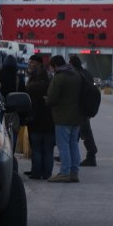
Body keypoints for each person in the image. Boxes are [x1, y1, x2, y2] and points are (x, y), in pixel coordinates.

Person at [47, 55, 82, 183]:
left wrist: (47, 100)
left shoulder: (59, 78)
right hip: (77, 116)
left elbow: (52, 98)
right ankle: (74, 172)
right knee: (73, 144)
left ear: (55, 66)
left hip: (63, 116)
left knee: (63, 145)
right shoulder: (76, 75)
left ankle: (64, 172)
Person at [23, 54, 55, 180]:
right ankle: (46, 173)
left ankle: (36, 172)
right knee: (48, 149)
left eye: (32, 63)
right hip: (50, 121)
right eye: (30, 63)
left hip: (36, 120)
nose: (30, 65)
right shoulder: (51, 82)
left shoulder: (32, 85)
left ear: (39, 65)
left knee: (36, 149)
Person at [69, 55, 98, 166]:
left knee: (83, 133)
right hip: (86, 108)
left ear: (72, 64)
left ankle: (91, 156)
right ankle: (72, 155)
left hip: (80, 108)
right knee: (82, 132)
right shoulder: (86, 73)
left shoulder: (77, 74)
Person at [0, 54, 26, 153]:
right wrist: (23, 118)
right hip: (14, 114)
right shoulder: (19, 79)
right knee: (12, 141)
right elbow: (23, 99)